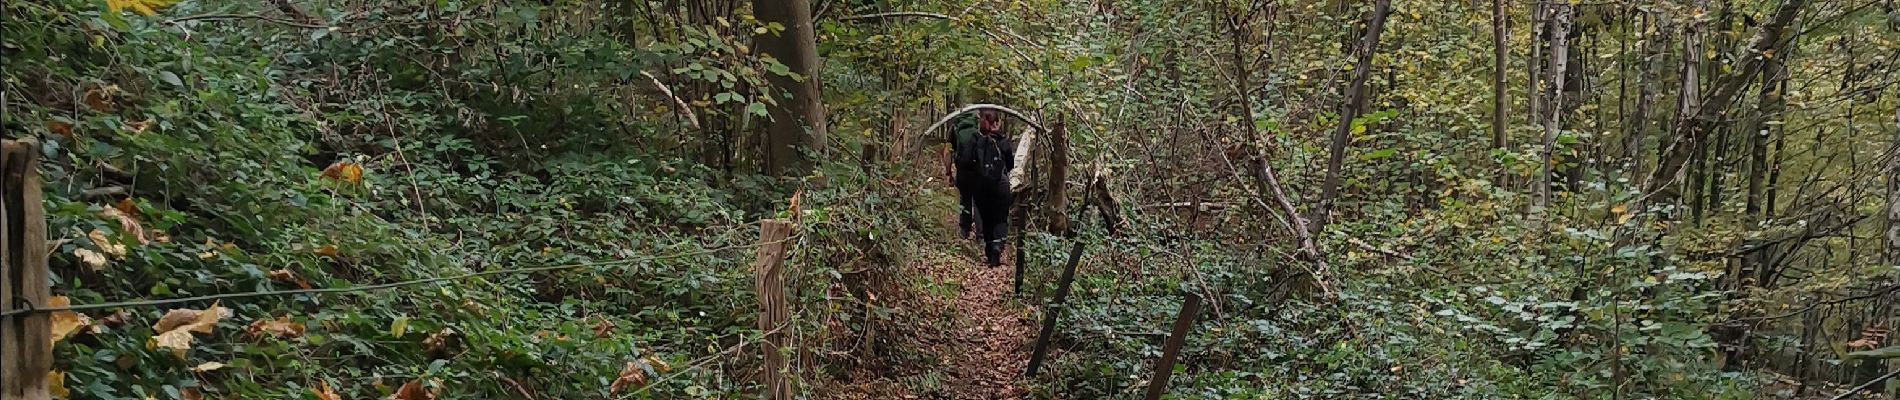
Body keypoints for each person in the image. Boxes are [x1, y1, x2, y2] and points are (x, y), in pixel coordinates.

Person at [949, 108, 1016, 267]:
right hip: (1001, 185)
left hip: (981, 186)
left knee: (986, 219)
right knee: (1000, 218)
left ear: (981, 122)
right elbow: (1011, 165)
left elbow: (964, 160)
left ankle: (988, 247)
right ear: (997, 122)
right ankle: (997, 246)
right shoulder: (1003, 140)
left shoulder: (974, 138)